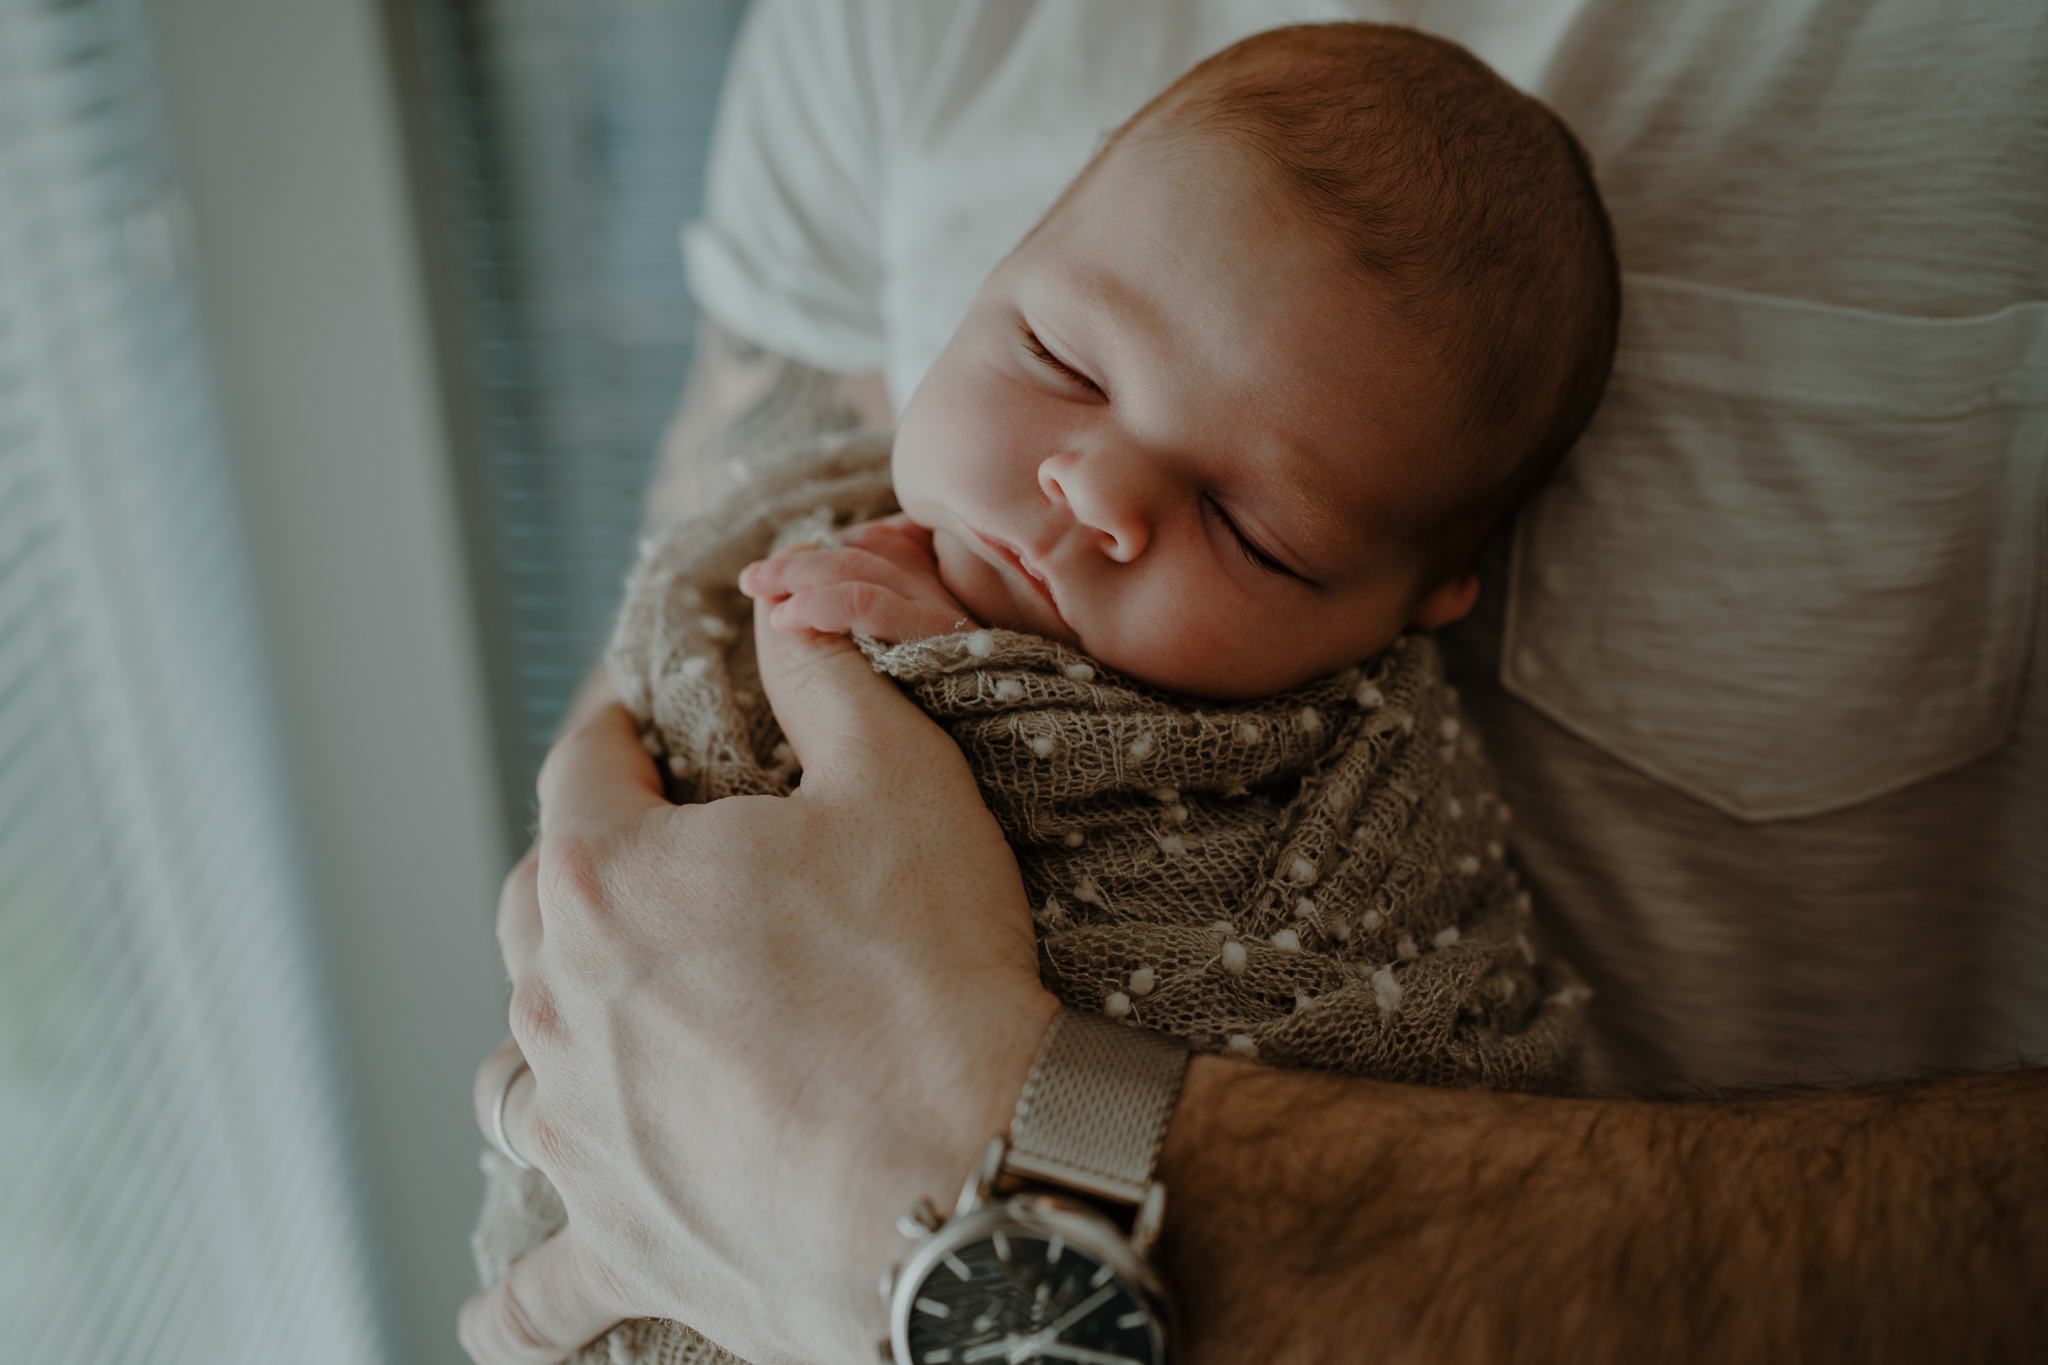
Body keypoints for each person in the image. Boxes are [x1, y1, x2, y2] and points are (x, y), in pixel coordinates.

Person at [462, 2, 2047, 1362]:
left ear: (1409, 607)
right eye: (1062, 361)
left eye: (1251, 530)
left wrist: (977, 1143)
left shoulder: (1344, 790)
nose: (1092, 487)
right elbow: (691, 577)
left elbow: (1400, 1000)